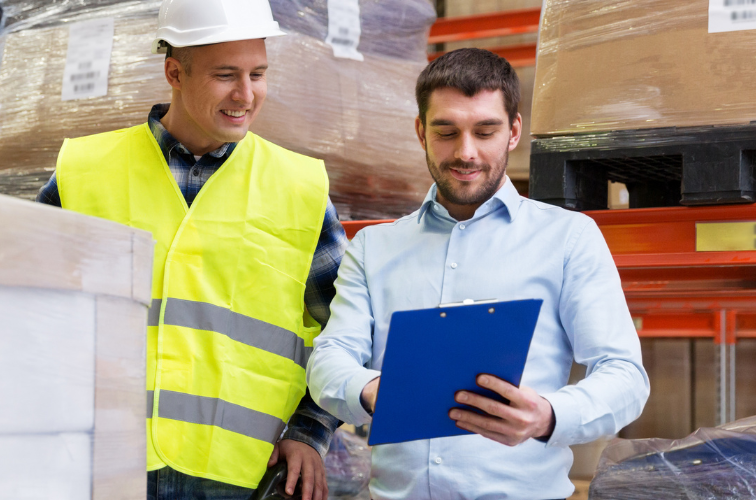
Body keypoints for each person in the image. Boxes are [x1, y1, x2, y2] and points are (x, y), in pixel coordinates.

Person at [306, 48, 650, 499]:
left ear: (514, 132)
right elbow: (329, 358)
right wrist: (372, 389)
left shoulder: (568, 238)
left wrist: (548, 415)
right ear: (420, 132)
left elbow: (624, 375)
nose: (465, 153)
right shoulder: (374, 247)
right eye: (446, 132)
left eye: (485, 131)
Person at [35, 0, 345, 498]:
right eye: (226, 75)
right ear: (174, 72)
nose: (246, 94)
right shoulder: (84, 173)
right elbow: (20, 310)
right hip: (99, 463)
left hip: (240, 475)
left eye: (258, 74)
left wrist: (311, 431)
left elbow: (345, 332)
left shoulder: (300, 189)